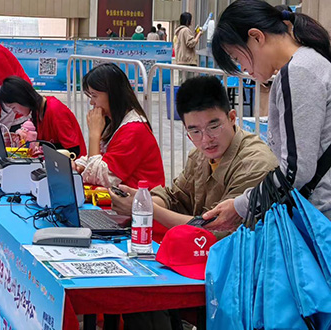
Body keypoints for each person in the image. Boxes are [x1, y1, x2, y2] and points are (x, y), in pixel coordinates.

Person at [204, 0, 331, 230]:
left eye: (236, 57)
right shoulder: (309, 62)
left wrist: (240, 206)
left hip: (321, 222)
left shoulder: (297, 72)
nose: (242, 67)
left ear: (256, 37)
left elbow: (295, 172)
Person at [109, 76, 277, 230]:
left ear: (232, 118)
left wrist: (146, 208)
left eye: (213, 126)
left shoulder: (255, 164)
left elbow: (217, 227)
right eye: (195, 131)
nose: (206, 139)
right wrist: (141, 200)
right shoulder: (199, 155)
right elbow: (175, 198)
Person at [72, 63, 164, 189]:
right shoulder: (115, 121)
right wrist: (79, 165)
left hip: (140, 203)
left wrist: (94, 134)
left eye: (94, 96)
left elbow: (101, 178)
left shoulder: (134, 130)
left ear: (112, 94)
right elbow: (101, 157)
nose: (92, 102)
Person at [0, 75, 87, 157]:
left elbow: (73, 151)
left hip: (73, 165)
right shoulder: (36, 111)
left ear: (21, 98)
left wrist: (41, 148)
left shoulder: (55, 110)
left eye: (13, 107)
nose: (15, 112)